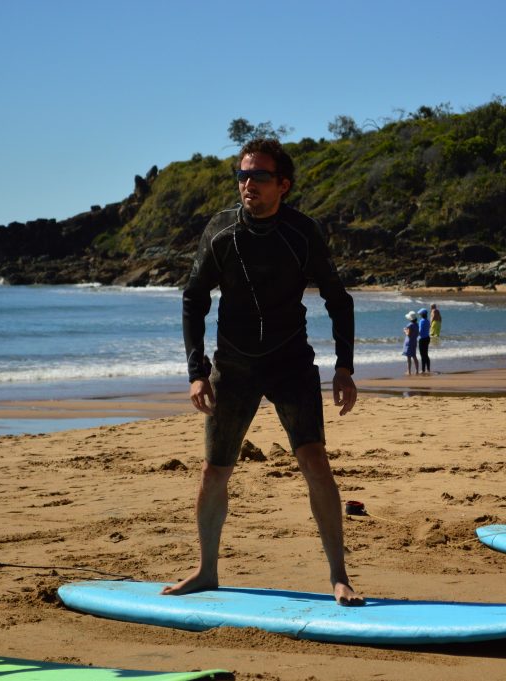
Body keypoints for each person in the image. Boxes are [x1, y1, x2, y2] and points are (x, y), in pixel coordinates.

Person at [168, 138, 363, 605]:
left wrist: (344, 368)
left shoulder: (302, 233)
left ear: (283, 185)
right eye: (242, 175)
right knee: (214, 471)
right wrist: (197, 372)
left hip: (290, 361)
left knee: (314, 460)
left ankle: (340, 576)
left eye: (258, 175)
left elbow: (339, 299)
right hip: (233, 366)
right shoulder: (220, 232)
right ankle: (207, 570)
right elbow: (194, 298)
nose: (247, 183)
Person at [402, 310, 419, 375]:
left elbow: (408, 334)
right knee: (414, 356)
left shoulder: (410, 325)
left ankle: (409, 371)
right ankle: (417, 370)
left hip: (409, 342)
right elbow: (417, 333)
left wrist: (404, 331)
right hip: (414, 341)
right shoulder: (416, 324)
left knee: (408, 357)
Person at [417, 308, 432, 374]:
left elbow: (419, 331)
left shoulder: (421, 321)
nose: (420, 315)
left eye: (420, 314)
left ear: (422, 315)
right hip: (427, 338)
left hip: (422, 339)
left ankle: (423, 370)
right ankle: (428, 369)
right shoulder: (428, 321)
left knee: (422, 355)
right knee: (426, 354)